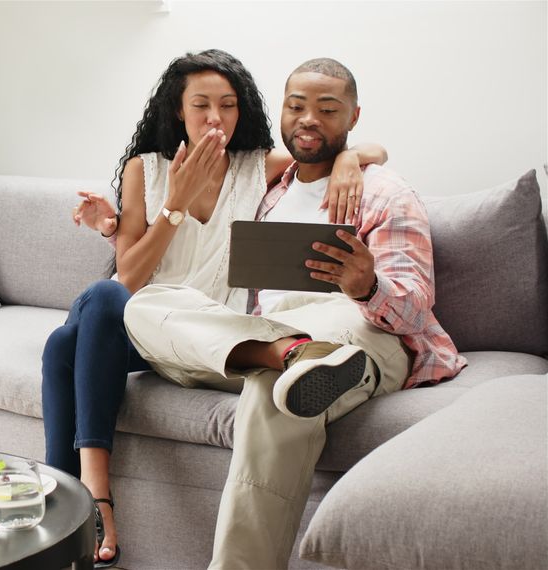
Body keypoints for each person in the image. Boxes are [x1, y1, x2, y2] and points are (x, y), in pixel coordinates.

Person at [40, 49, 387, 568]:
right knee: (104, 297)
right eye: (200, 104)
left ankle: (72, 507)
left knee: (61, 343)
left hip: (208, 341)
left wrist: (347, 160)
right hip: (136, 330)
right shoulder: (146, 170)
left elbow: (360, 148)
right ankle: (93, 495)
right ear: (178, 110)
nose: (215, 118)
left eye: (227, 105)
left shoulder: (259, 166)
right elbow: (129, 278)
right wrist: (173, 206)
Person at [122, 58, 467, 569]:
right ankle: (291, 355)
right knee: (144, 304)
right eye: (297, 106)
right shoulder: (270, 188)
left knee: (278, 390)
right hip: (268, 337)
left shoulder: (383, 193)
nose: (309, 119)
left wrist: (367, 284)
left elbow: (415, 309)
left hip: (357, 329)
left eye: (328, 109)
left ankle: (299, 359)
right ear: (280, 113)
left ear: (352, 117)